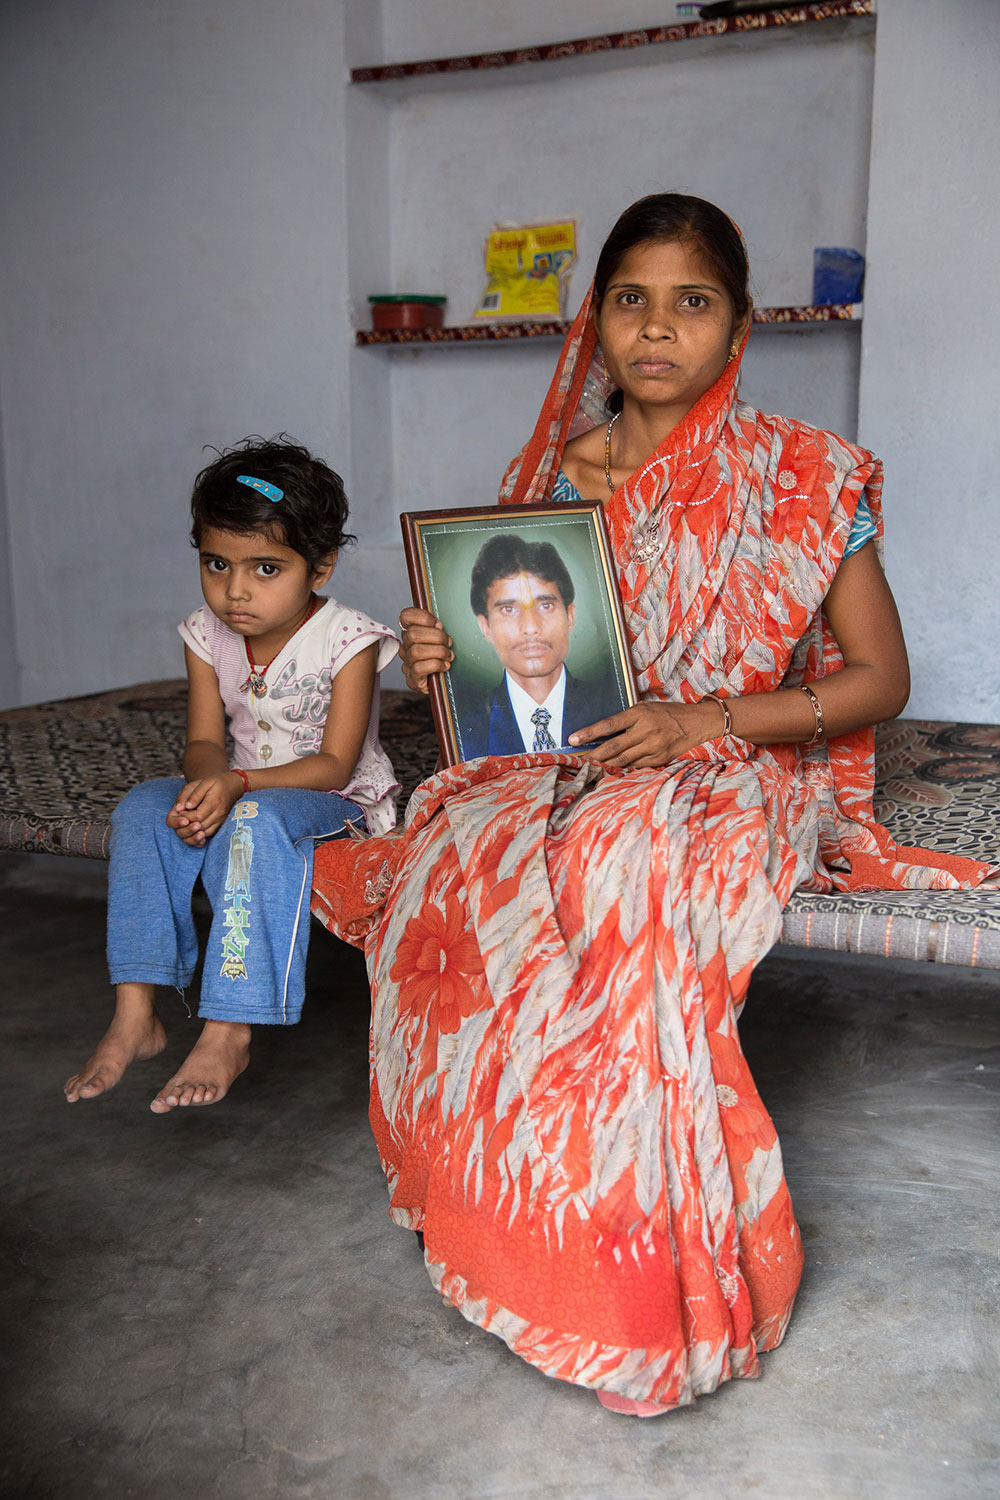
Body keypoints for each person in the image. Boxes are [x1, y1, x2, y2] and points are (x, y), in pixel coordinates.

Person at [314, 194, 991, 1416]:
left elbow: (879, 681)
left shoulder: (802, 478)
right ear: (598, 321)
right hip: (562, 757)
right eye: (633, 299)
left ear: (738, 328)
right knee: (456, 855)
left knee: (624, 867)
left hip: (732, 761)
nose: (659, 328)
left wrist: (699, 723)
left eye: (694, 302)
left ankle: (635, 1275)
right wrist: (441, 651)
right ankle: (505, 1211)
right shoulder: (546, 477)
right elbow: (512, 651)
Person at [64, 437, 399, 1113]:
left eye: (266, 568)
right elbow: (203, 741)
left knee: (250, 821)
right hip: (240, 786)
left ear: (321, 565)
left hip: (332, 797)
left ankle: (229, 1027)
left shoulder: (349, 639)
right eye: (217, 563)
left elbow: (336, 763)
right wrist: (208, 781)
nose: (235, 589)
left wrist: (236, 788)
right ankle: (137, 1013)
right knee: (141, 809)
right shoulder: (204, 633)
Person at [459, 532, 623, 757]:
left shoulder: (616, 709)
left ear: (570, 616)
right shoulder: (465, 733)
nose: (530, 627)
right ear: (485, 626)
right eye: (508, 609)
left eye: (545, 606)